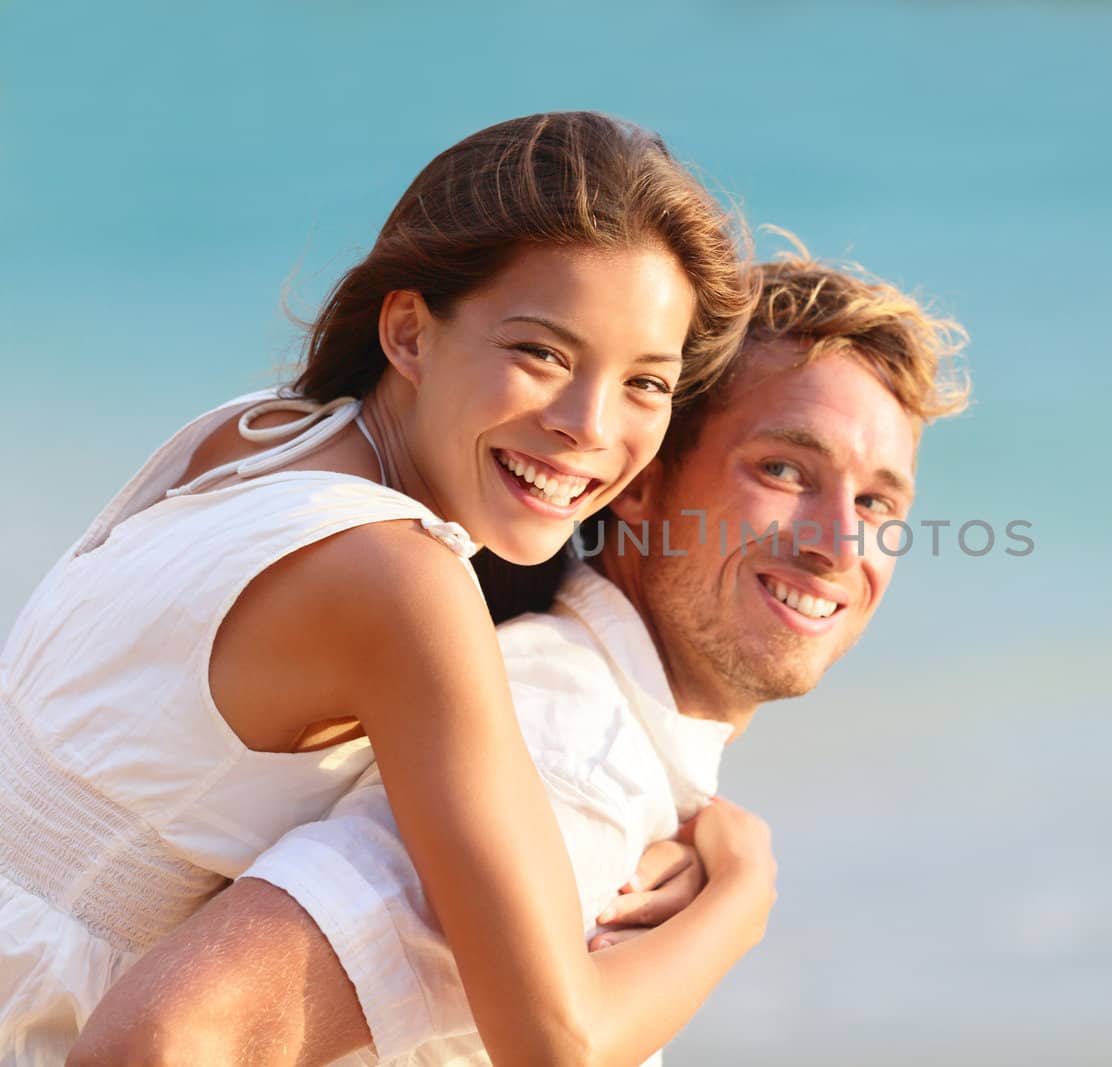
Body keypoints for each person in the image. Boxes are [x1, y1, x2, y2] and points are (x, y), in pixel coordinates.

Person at [0, 111, 777, 1066]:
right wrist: (741, 892)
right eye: (543, 352)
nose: (588, 424)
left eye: (645, 384)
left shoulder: (250, 433)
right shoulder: (401, 583)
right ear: (409, 331)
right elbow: (558, 1042)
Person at [70, 253, 972, 1065]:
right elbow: (165, 1041)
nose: (837, 543)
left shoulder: (597, 740)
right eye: (782, 471)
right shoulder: (566, 751)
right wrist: (742, 896)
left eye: (878, 499)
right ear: (644, 483)